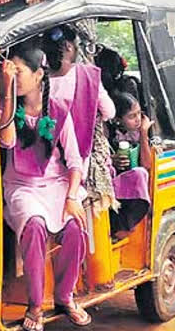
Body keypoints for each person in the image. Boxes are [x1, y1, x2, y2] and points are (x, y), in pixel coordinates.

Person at [0, 44, 92, 330]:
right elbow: (7, 142)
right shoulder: (7, 108)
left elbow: (75, 161)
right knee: (35, 225)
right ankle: (35, 305)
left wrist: (72, 197)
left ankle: (65, 297)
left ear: (39, 74)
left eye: (19, 71)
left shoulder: (59, 111)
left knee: (76, 227)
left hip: (58, 185)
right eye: (11, 70)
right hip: (21, 187)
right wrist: (6, 90)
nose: (15, 76)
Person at [42, 25, 118, 215]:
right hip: (81, 165)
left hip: (44, 165)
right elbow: (109, 112)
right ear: (69, 47)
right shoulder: (88, 75)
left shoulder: (37, 78)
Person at [107, 92, 154, 238]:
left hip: (134, 186)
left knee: (141, 174)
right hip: (115, 186)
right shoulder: (109, 134)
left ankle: (126, 225)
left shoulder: (140, 133)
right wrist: (112, 160)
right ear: (118, 120)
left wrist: (144, 133)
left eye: (139, 114)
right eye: (131, 116)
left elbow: (146, 164)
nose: (138, 119)